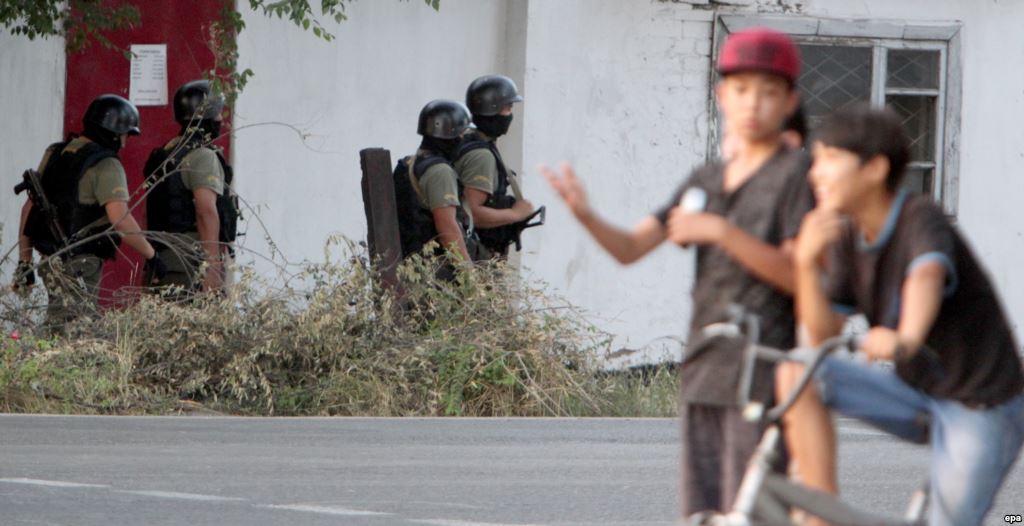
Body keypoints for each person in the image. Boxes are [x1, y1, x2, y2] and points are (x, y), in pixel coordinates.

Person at [543, 28, 812, 515]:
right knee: (703, 514)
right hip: (704, 369)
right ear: (722, 95)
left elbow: (800, 277)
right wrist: (585, 214)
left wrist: (721, 231)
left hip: (764, 373)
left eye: (769, 91)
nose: (754, 103)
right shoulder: (705, 179)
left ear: (789, 100)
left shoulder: (796, 176)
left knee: (754, 515)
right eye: (742, 89)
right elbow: (630, 249)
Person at [780, 105, 1024, 526]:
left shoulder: (920, 216)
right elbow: (822, 334)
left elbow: (925, 275)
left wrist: (905, 337)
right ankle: (818, 509)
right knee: (798, 371)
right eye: (815, 161)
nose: (815, 173)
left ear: (874, 168)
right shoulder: (847, 234)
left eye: (830, 160)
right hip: (917, 394)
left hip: (982, 404)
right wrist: (804, 265)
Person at [14, 94, 167, 325]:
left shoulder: (56, 152)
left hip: (49, 259)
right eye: (125, 134)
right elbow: (120, 219)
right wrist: (151, 254)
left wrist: (24, 263)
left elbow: (29, 208)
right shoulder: (107, 164)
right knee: (76, 331)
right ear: (113, 132)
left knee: (61, 323)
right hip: (80, 263)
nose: (125, 142)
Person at [144, 79, 237, 294]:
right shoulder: (203, 156)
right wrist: (211, 268)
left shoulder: (165, 153)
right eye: (217, 113)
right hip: (191, 265)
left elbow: (147, 215)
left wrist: (152, 258)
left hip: (161, 262)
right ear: (205, 116)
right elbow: (206, 212)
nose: (220, 119)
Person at [453, 75, 537, 260]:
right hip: (475, 258)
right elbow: (472, 214)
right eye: (508, 108)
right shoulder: (481, 156)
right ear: (493, 111)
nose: (510, 114)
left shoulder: (469, 140)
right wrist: (515, 214)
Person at [393, 99, 474, 275]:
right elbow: (447, 228)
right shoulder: (439, 172)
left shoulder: (411, 163)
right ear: (452, 136)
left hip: (413, 266)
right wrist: (470, 277)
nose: (464, 139)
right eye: (463, 134)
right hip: (433, 274)